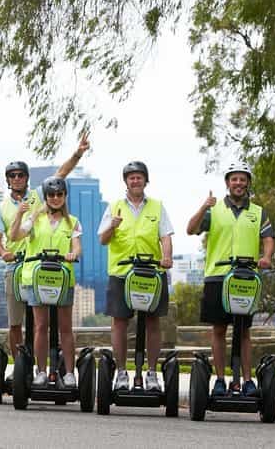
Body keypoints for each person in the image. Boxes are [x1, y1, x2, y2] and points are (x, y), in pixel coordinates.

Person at [0, 133, 90, 358]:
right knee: (16, 322)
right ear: (8, 180)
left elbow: (61, 173)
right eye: (12, 176)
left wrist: (78, 153)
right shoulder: (1, 208)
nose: (17, 178)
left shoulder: (39, 195)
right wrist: (4, 252)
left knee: (43, 321)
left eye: (21, 175)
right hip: (16, 267)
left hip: (44, 263)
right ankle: (18, 367)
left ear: (27, 178)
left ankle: (46, 363)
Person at [186, 161, 275, 397]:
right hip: (218, 275)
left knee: (244, 330)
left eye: (242, 179)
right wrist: (204, 206)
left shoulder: (257, 211)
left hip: (246, 278)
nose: (238, 183)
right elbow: (190, 229)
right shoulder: (214, 210)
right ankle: (220, 379)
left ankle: (247, 381)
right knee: (219, 329)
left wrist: (266, 257)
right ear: (227, 183)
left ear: (247, 183)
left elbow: (268, 237)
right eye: (234, 179)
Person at [98, 161, 174, 392]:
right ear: (126, 182)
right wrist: (112, 225)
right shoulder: (114, 207)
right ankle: (121, 373)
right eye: (131, 177)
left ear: (145, 180)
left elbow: (166, 236)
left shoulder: (157, 207)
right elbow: (103, 239)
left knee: (153, 322)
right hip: (122, 273)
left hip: (151, 272)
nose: (135, 180)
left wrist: (167, 257)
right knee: (119, 323)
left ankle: (151, 373)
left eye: (139, 177)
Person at [9, 176, 82, 387]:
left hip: (62, 278)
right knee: (40, 326)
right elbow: (15, 236)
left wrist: (72, 254)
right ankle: (41, 371)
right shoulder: (35, 219)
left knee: (65, 327)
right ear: (46, 197)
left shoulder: (73, 221)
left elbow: (77, 246)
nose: (56, 198)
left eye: (60, 194)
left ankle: (69, 373)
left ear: (65, 196)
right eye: (52, 195)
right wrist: (19, 214)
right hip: (36, 278)